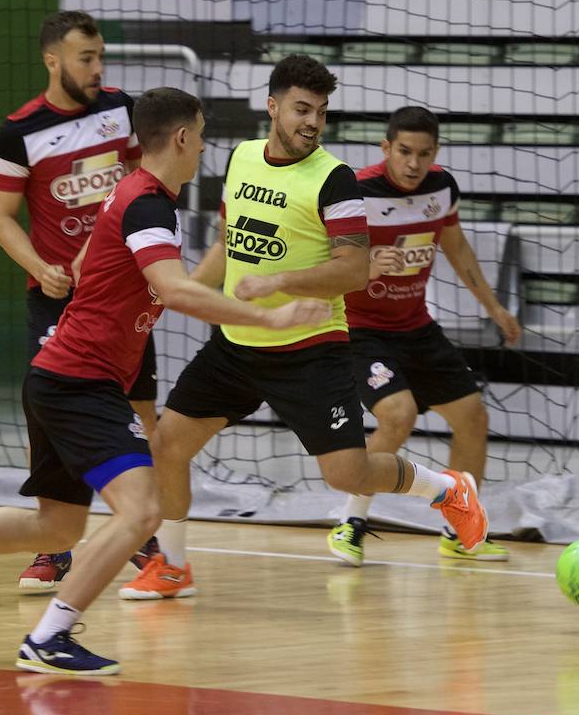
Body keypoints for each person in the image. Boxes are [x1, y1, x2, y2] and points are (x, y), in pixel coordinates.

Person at [0, 88, 330, 675]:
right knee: (143, 511)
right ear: (184, 138)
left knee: (59, 524)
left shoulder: (130, 191)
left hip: (58, 374)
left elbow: (95, 261)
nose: (202, 151)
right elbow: (173, 288)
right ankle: (48, 638)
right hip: (79, 382)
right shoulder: (149, 203)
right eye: (201, 136)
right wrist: (269, 317)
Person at [120, 57, 489, 601]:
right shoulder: (243, 158)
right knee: (168, 444)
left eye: (320, 111)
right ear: (273, 107)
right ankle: (172, 565)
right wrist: (177, 295)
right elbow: (227, 243)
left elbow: (354, 268)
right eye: (301, 109)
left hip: (309, 351)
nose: (311, 121)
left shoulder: (334, 179)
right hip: (237, 347)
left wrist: (279, 282)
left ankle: (448, 488)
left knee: (347, 474)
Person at [0, 10, 158, 592]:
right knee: (51, 413)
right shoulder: (19, 131)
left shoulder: (122, 109)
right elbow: (1, 218)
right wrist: (41, 267)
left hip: (122, 292)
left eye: (100, 57)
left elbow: (145, 187)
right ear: (52, 60)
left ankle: (144, 535)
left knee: (139, 406)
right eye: (86, 58)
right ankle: (55, 543)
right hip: (56, 297)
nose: (97, 68)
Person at [328, 106, 522, 566]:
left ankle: (459, 530)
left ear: (436, 153)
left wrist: (494, 308)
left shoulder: (441, 188)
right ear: (385, 148)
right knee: (399, 414)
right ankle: (350, 522)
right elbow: (327, 260)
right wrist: (370, 259)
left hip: (416, 326)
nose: (414, 164)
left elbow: (456, 248)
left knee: (473, 417)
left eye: (424, 153)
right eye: (404, 152)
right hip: (360, 330)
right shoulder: (355, 192)